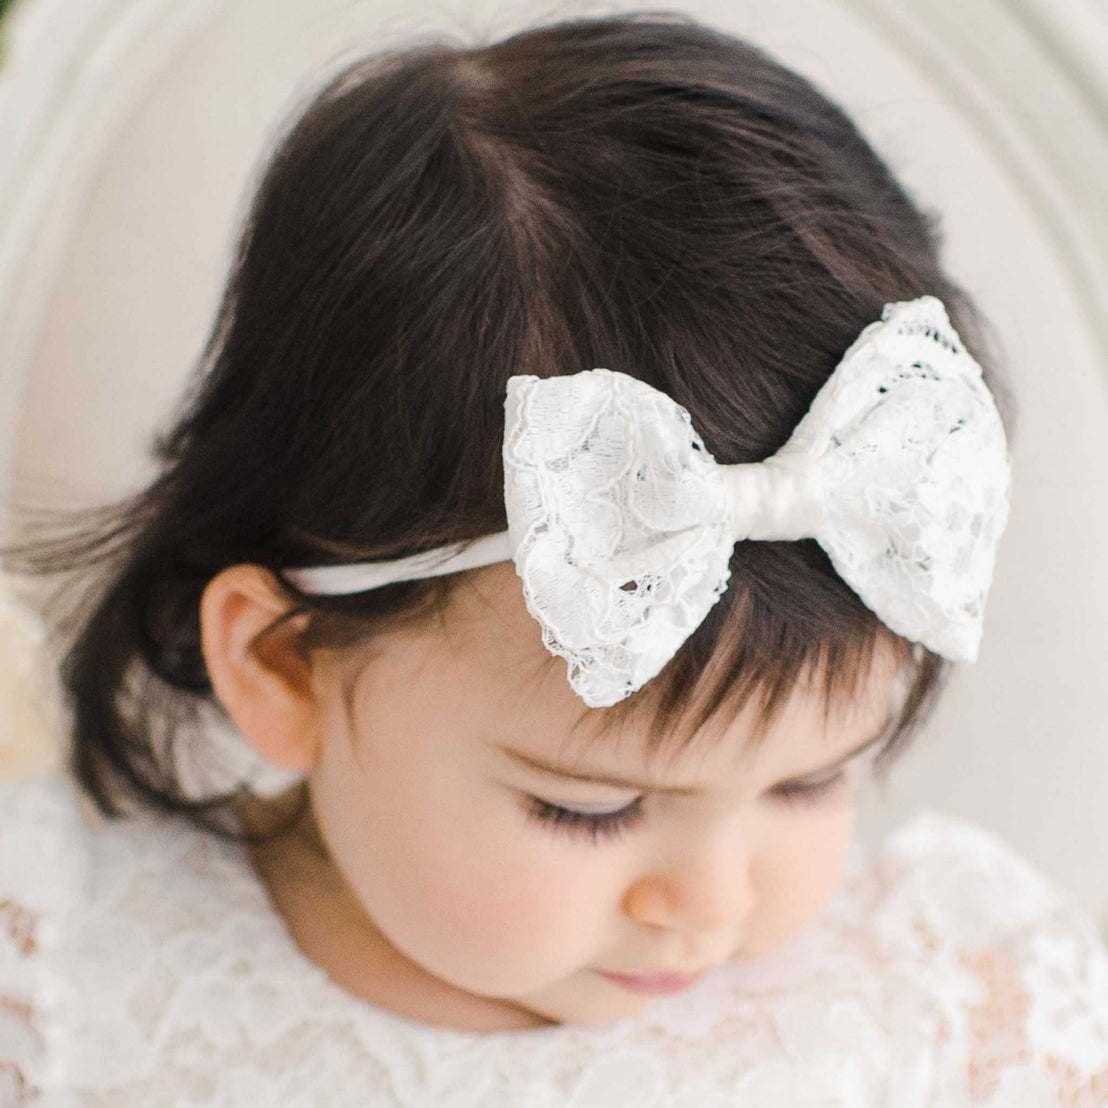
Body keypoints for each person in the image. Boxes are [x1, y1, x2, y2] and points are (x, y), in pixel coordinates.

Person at [2, 12, 1106, 1105]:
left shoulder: (946, 991)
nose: (710, 903)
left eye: (809, 781)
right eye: (589, 809)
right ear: (287, 664)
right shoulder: (63, 973)